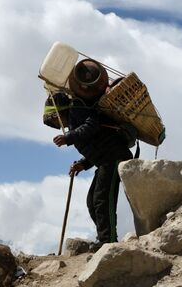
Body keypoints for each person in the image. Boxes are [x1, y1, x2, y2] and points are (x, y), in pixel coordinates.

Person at [53, 96, 134, 247]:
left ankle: (108, 241)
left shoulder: (77, 108)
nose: (57, 125)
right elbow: (97, 143)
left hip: (114, 156)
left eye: (54, 120)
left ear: (57, 113)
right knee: (92, 201)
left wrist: (68, 137)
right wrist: (83, 164)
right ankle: (105, 238)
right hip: (105, 159)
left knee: (102, 199)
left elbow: (92, 126)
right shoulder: (74, 120)